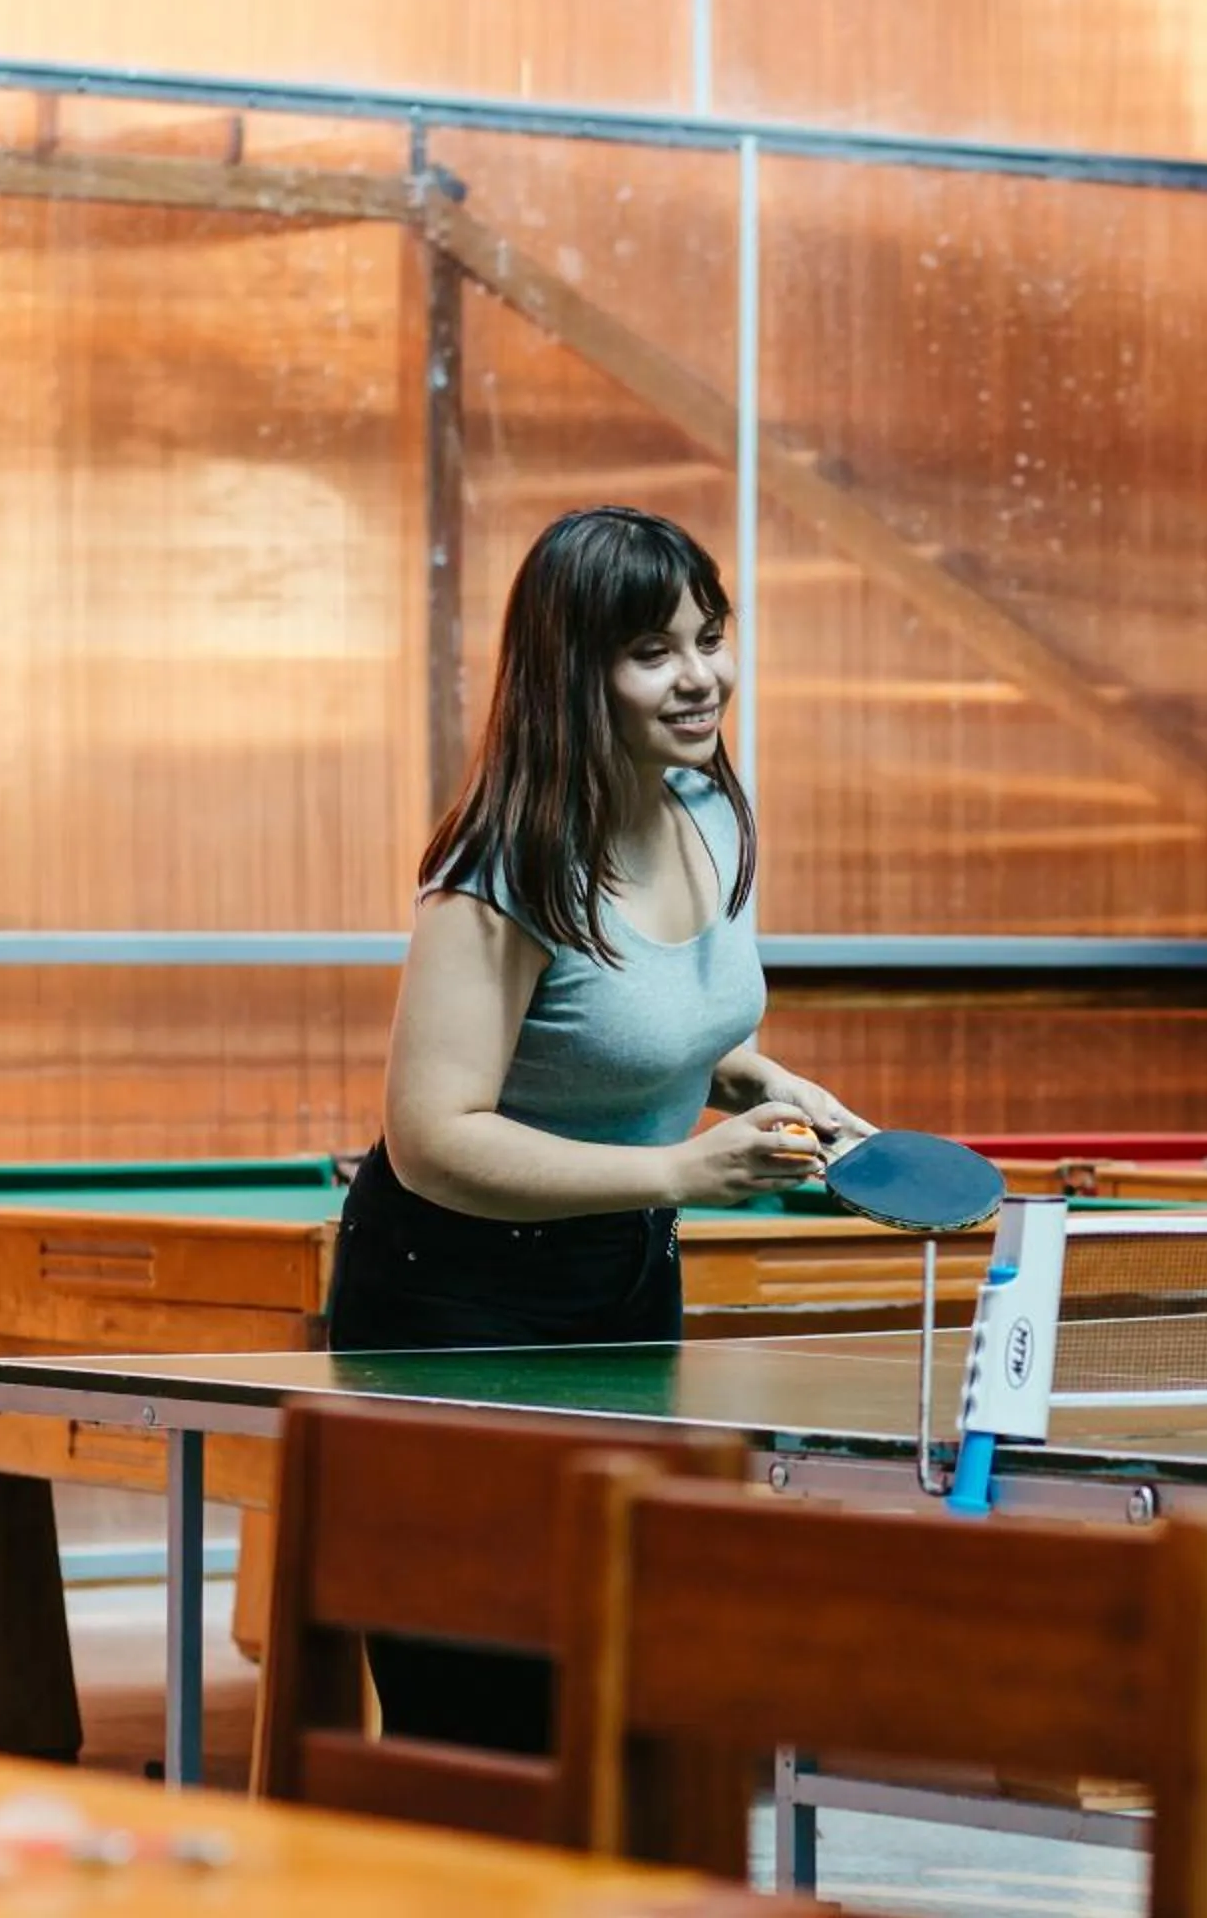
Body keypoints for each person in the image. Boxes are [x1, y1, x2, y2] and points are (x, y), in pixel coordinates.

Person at [325, 504, 871, 1750]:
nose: (699, 676)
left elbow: (647, 1024)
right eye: (651, 651)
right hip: (456, 1299)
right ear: (574, 671)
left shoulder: (710, 813)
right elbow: (432, 1137)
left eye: (710, 636)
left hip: (623, 1275)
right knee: (483, 1707)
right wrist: (676, 1167)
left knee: (619, 1674)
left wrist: (767, 1086)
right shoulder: (500, 869)